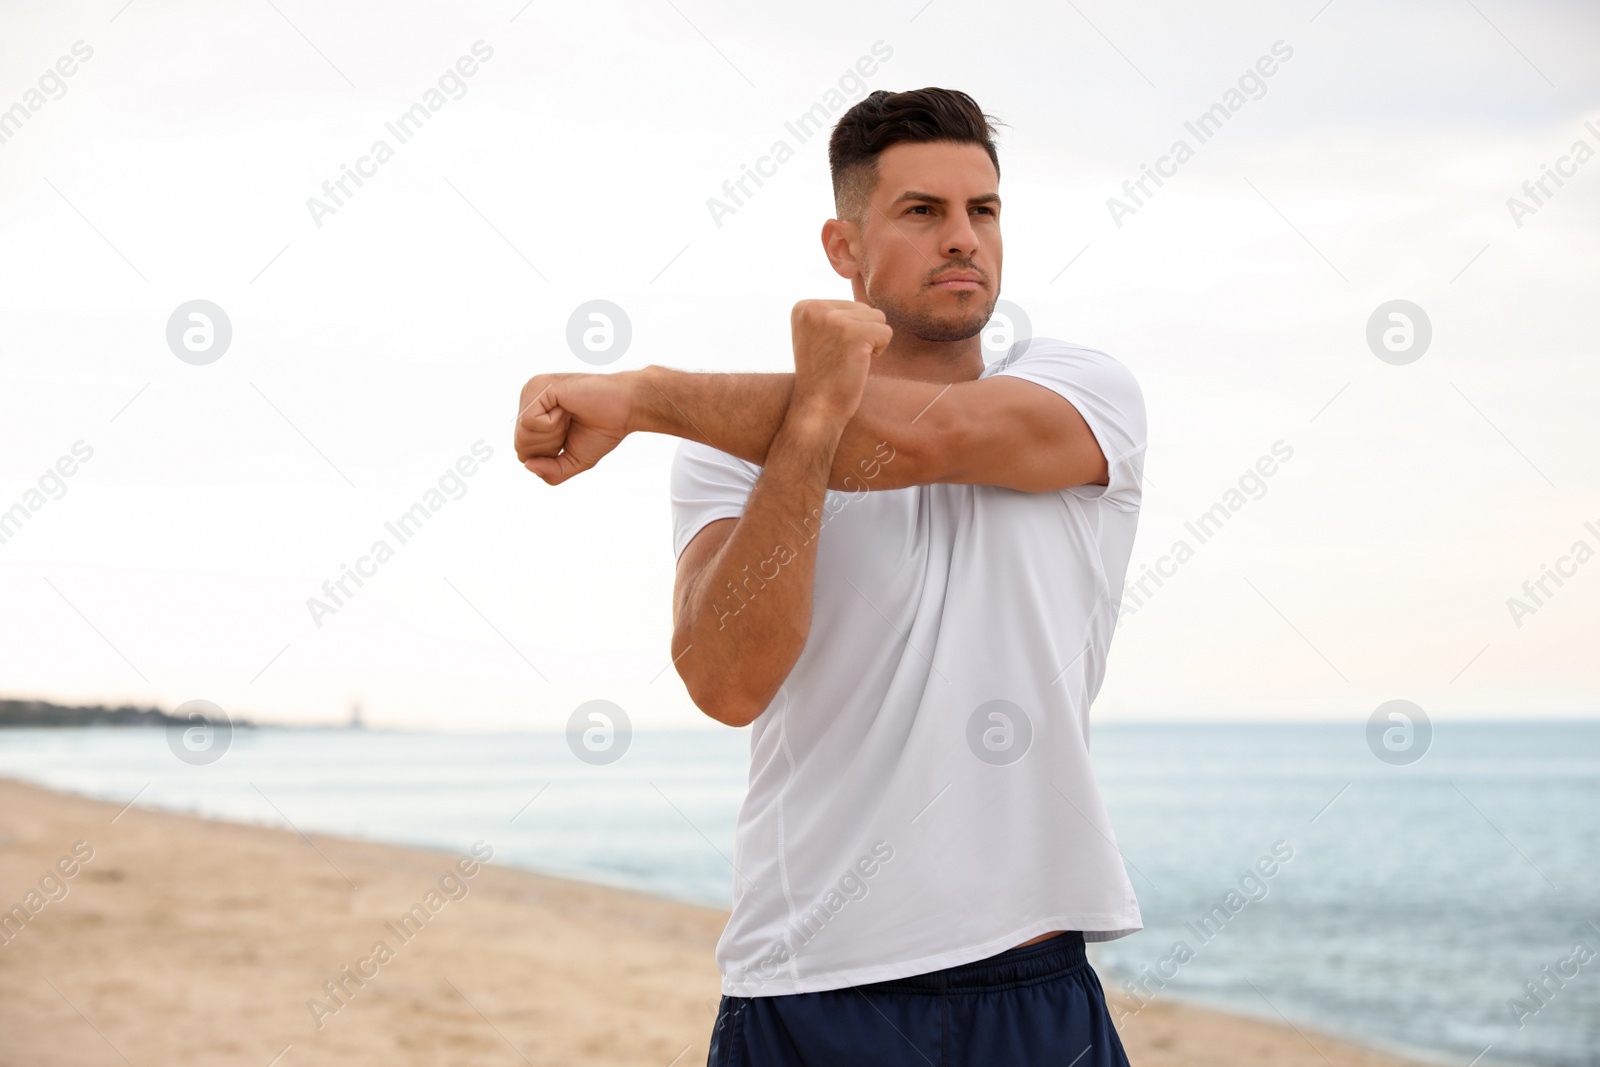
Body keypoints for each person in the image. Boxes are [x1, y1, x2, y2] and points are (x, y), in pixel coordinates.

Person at [514, 86, 1145, 1067]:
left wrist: (643, 395)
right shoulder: (730, 455)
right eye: (921, 211)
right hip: (806, 989)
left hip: (1032, 991)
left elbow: (932, 441)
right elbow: (727, 680)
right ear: (843, 246)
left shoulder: (1084, 391)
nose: (963, 239)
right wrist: (810, 418)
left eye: (983, 210)